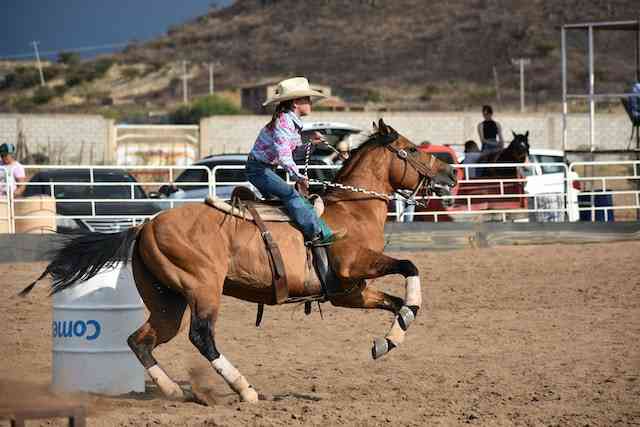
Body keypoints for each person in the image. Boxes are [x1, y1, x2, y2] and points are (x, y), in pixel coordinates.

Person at [245, 77, 344, 246]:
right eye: (307, 99)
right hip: (259, 170)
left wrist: (311, 144)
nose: (310, 102)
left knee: (288, 198)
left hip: (265, 169)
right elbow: (284, 156)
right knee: (291, 195)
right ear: (295, 103)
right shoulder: (283, 122)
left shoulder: (291, 123)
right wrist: (298, 176)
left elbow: (295, 152)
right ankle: (317, 234)